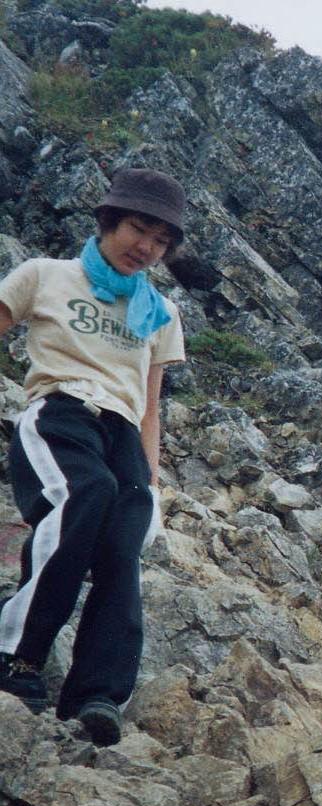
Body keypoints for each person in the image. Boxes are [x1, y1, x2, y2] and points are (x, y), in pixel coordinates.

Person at [0, 167, 187, 745]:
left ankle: (98, 694)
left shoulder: (160, 313)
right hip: (60, 410)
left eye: (161, 240)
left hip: (124, 431)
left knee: (121, 539)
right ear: (108, 220)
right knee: (83, 495)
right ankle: (17, 656)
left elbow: (150, 407)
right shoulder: (45, 276)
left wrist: (151, 484)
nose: (146, 247)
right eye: (138, 229)